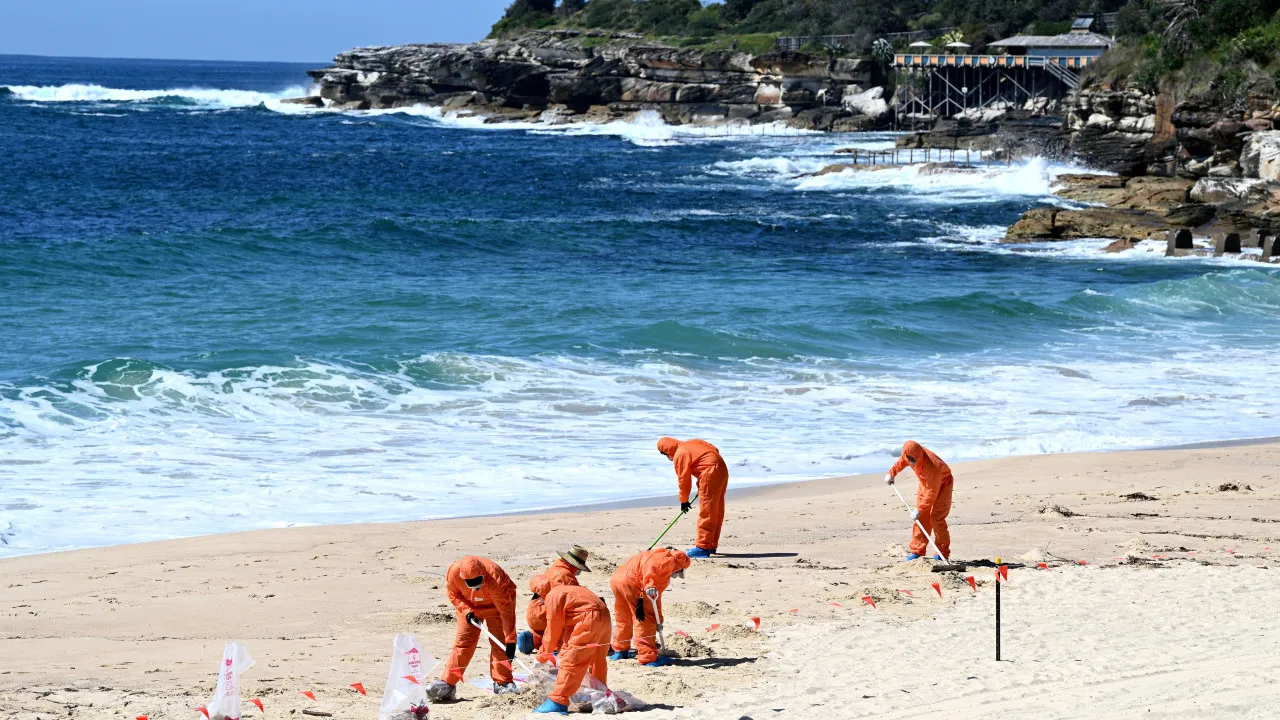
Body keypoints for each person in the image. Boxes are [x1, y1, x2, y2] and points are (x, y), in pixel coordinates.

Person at [426, 556, 519, 702]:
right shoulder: (454, 573)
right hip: (469, 606)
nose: (476, 587)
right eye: (471, 584)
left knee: (500, 643)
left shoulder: (495, 577)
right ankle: (447, 683)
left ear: (484, 575)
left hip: (497, 606)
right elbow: (453, 594)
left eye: (478, 583)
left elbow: (506, 611)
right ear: (463, 578)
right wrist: (467, 610)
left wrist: (511, 639)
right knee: (463, 643)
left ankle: (503, 682)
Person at [532, 584, 612, 714]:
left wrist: (542, 656)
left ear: (540, 595)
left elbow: (552, 631)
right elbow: (570, 633)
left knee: (573, 660)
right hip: (604, 615)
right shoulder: (566, 590)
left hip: (589, 618)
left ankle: (558, 701)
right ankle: (600, 695)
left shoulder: (552, 597)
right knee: (597, 659)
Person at [608, 548, 691, 667]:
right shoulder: (668, 561)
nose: (674, 576)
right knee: (644, 620)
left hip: (617, 580)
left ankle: (620, 650)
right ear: (679, 567)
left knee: (623, 616)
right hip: (633, 585)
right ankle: (648, 657)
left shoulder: (655, 554)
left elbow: (656, 598)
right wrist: (649, 585)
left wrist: (660, 619)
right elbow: (651, 571)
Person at [657, 437, 729, 558]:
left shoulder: (680, 454)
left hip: (710, 472)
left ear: (667, 450)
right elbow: (714, 450)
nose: (668, 457)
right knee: (716, 509)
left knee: (707, 511)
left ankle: (703, 547)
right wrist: (703, 479)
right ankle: (711, 544)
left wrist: (684, 501)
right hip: (722, 469)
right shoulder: (692, 442)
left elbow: (683, 480)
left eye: (665, 454)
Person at [884, 440, 954, 562]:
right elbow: (901, 462)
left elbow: (932, 493)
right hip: (925, 484)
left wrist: (919, 509)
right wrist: (891, 473)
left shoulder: (933, 465)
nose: (911, 462)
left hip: (943, 485)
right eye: (909, 458)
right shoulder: (908, 455)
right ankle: (917, 551)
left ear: (919, 455)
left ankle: (941, 553)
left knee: (936, 518)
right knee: (921, 519)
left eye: (913, 459)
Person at [519, 545, 591, 655]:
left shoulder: (553, 569)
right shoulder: (566, 577)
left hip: (533, 611)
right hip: (546, 615)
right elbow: (574, 600)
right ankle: (557, 647)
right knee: (567, 625)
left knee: (544, 632)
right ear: (574, 565)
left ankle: (532, 639)